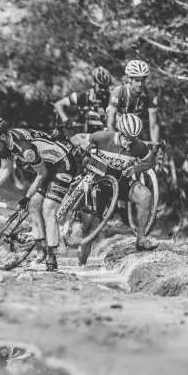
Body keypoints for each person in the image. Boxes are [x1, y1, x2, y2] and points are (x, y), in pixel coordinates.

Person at [0, 116, 77, 271]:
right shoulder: (6, 144)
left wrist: (27, 196)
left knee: (48, 209)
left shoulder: (24, 148)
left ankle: (51, 257)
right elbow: (5, 169)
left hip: (63, 164)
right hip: (48, 166)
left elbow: (41, 174)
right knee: (34, 207)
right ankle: (40, 248)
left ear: (2, 137)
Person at [70, 113, 159, 264]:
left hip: (120, 181)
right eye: (127, 139)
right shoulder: (102, 137)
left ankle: (141, 239)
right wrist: (82, 143)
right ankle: (81, 265)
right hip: (98, 182)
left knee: (145, 195)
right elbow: (74, 138)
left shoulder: (139, 146)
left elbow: (150, 161)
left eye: (133, 139)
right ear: (120, 132)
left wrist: (135, 170)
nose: (129, 143)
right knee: (89, 226)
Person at [106, 60, 160, 143]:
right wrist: (113, 141)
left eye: (142, 80)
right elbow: (111, 121)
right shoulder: (118, 92)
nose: (140, 84)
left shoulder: (151, 96)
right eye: (137, 80)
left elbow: (153, 125)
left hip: (135, 129)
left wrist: (155, 144)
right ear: (129, 79)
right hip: (117, 126)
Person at [54, 66, 113, 134]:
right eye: (100, 86)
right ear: (93, 82)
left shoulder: (111, 97)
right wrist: (66, 120)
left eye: (106, 87)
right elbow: (58, 104)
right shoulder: (82, 96)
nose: (103, 90)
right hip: (83, 137)